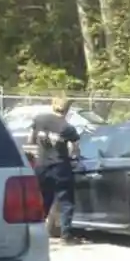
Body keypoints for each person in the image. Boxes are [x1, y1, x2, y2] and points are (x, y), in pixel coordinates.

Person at [28, 95, 81, 236]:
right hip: (60, 166)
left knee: (43, 199)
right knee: (66, 200)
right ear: (67, 109)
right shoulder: (67, 127)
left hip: (42, 166)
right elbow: (75, 148)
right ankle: (66, 234)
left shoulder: (39, 119)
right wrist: (73, 155)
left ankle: (36, 231)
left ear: (53, 105)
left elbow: (30, 139)